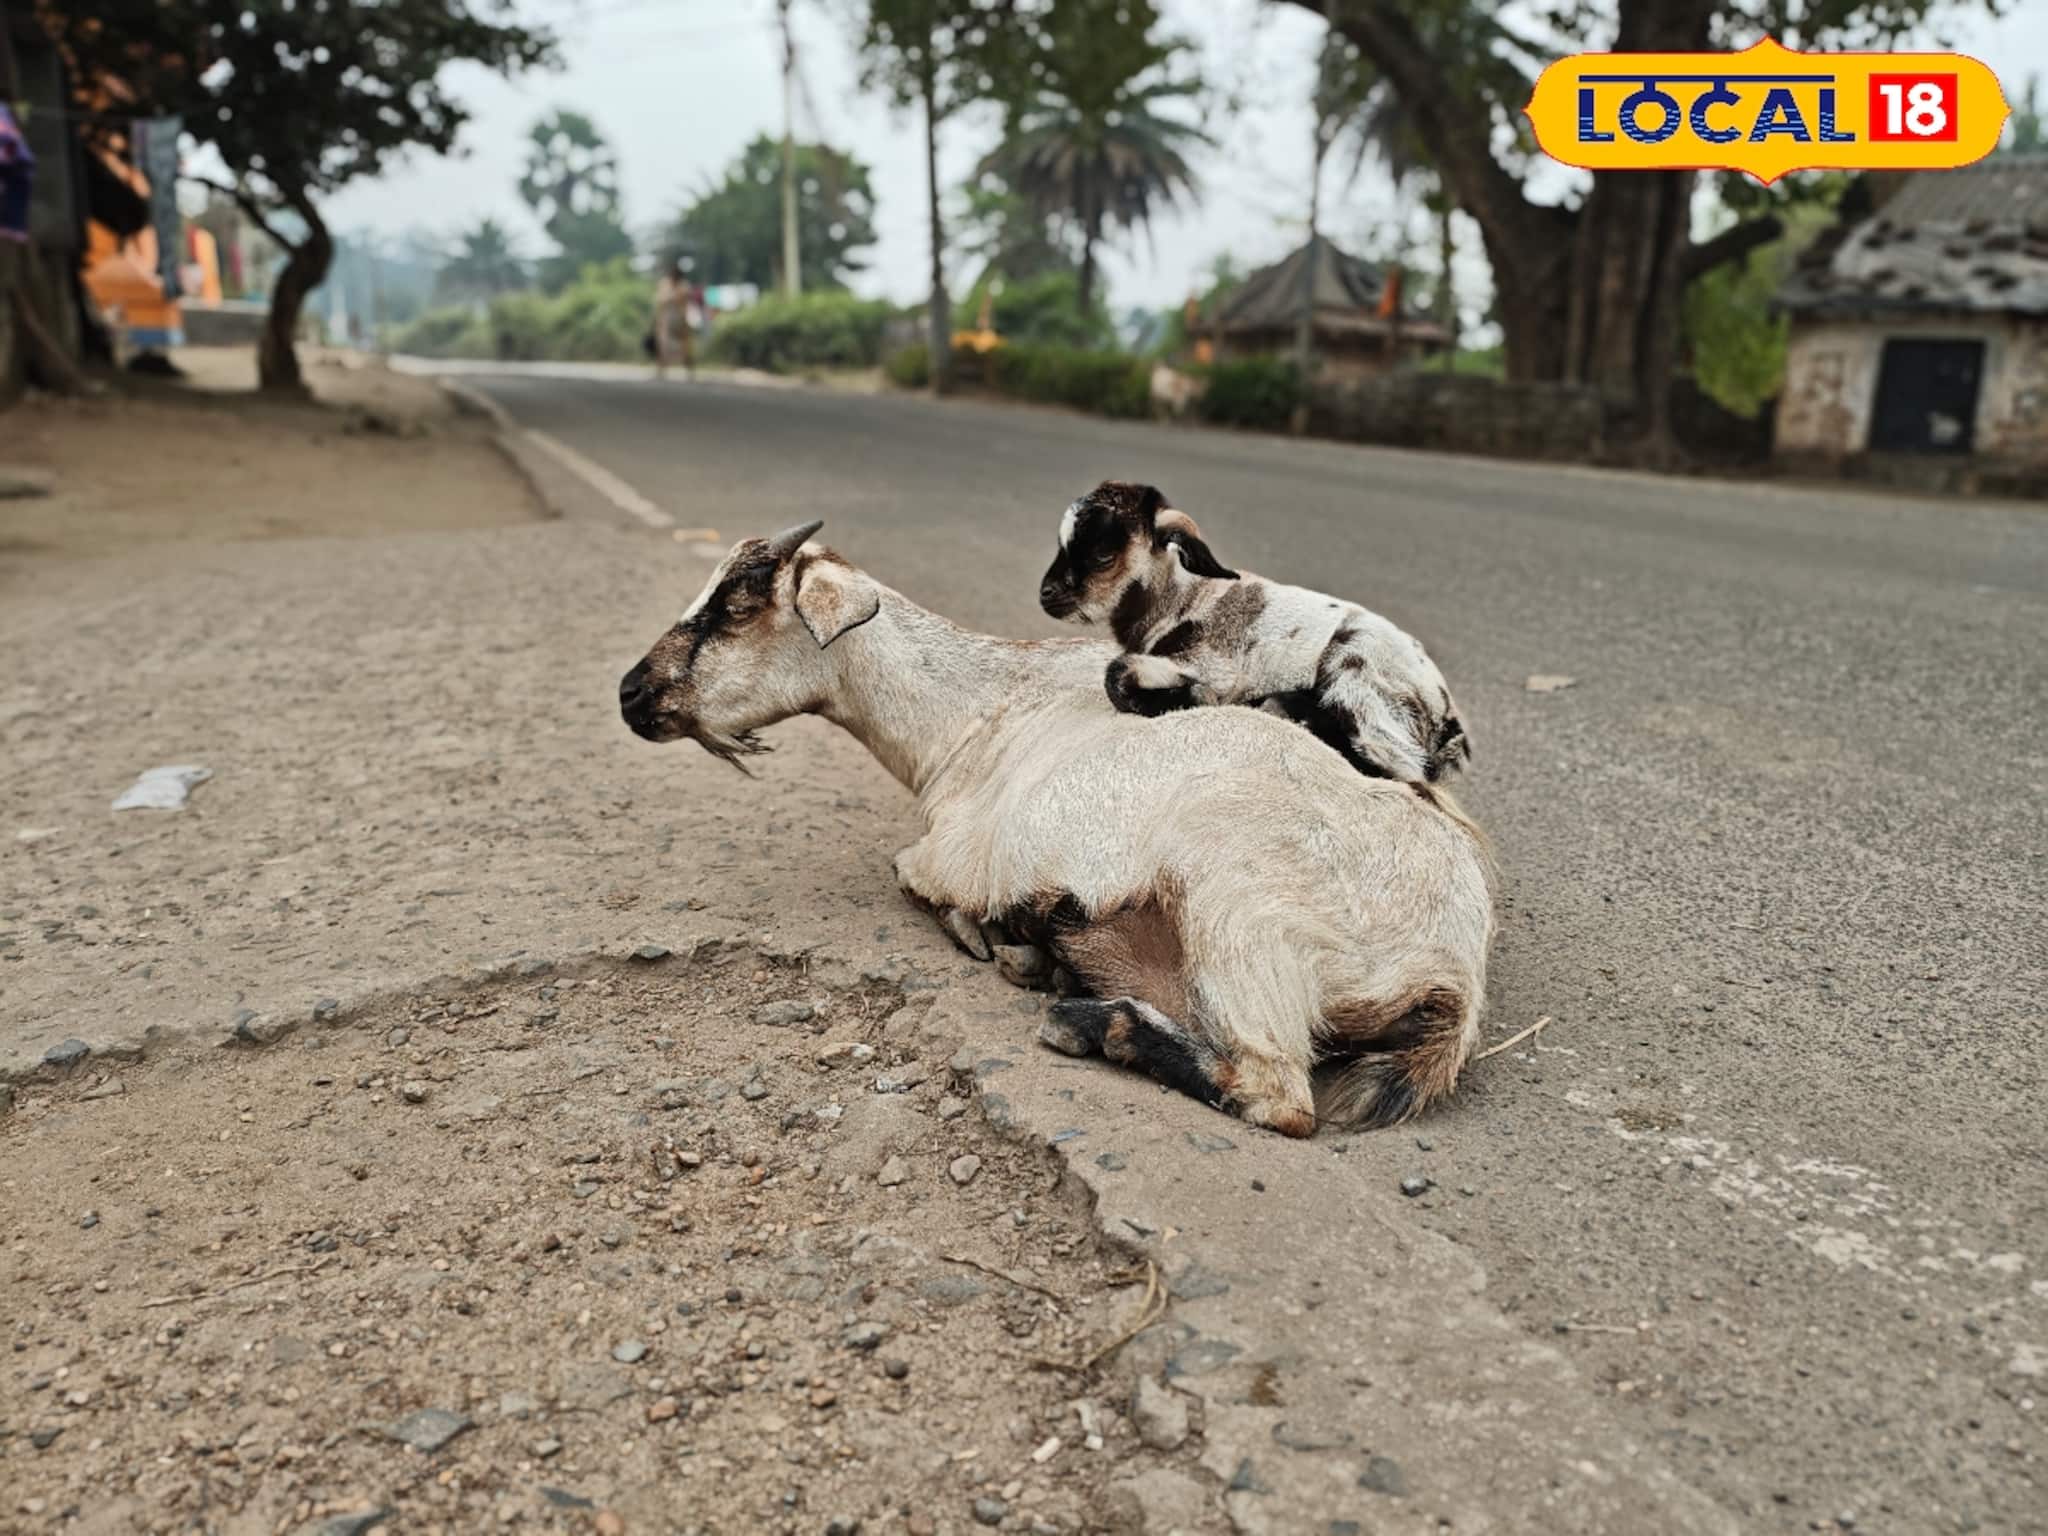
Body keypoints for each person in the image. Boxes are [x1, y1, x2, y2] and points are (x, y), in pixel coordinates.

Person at [652, 259, 697, 380]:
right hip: (666, 318)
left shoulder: (684, 285)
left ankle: (690, 370)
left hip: (680, 318)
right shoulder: (665, 284)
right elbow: (660, 301)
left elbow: (684, 301)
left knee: (685, 347)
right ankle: (661, 370)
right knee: (663, 345)